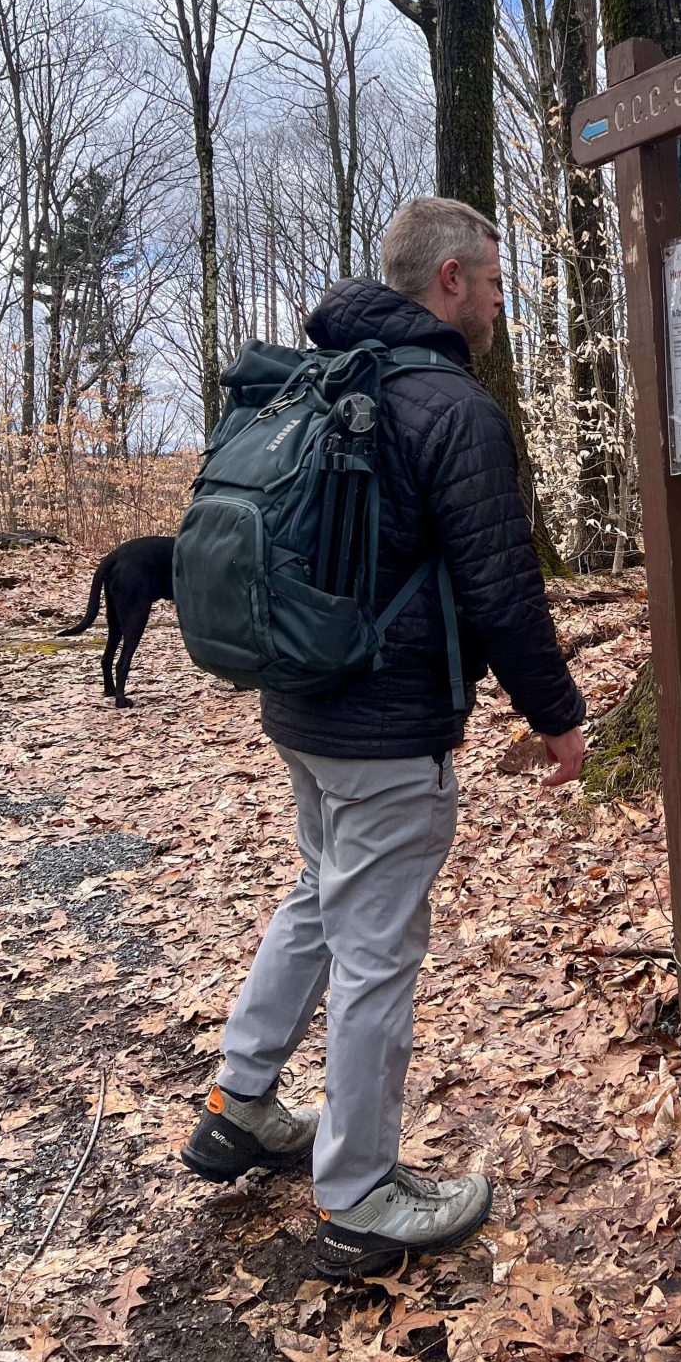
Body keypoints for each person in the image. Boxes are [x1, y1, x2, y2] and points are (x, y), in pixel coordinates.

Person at [180, 197, 588, 1279]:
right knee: (374, 957)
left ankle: (241, 1102)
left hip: (303, 705)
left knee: (317, 899)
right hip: (387, 730)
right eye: (495, 281)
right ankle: (359, 1197)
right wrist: (558, 715)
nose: (502, 301)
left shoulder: (330, 379)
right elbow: (503, 591)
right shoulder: (448, 406)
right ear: (449, 281)